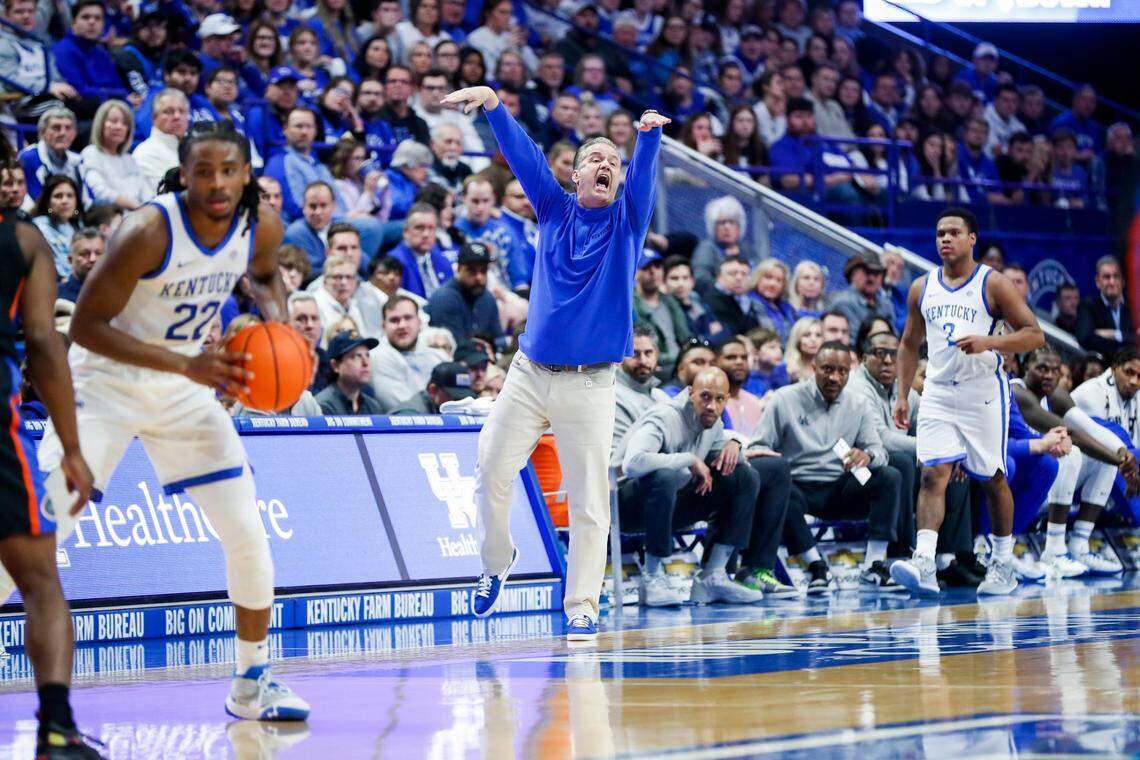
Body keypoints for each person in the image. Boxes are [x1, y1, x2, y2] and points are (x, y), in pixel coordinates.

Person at [0, 121, 310, 720]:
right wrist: (184, 364)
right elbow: (85, 327)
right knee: (44, 535)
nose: (217, 183)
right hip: (105, 384)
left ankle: (251, 682)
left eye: (228, 170)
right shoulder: (148, 229)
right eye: (204, 171)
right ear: (184, 174)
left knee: (246, 529)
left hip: (185, 389)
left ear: (246, 173)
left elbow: (267, 273)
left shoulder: (261, 224)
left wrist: (282, 326)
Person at [441, 84, 668, 641]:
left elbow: (642, 177)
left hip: (590, 384)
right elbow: (524, 156)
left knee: (590, 502)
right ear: (575, 174)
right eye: (595, 157)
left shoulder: (628, 223)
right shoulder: (553, 208)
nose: (605, 165)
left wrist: (646, 139)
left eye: (612, 162)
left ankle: (582, 603)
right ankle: (497, 563)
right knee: (491, 470)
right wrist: (495, 103)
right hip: (527, 374)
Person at [0, 144, 102, 757]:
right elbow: (43, 341)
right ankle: (57, 729)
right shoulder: (25, 241)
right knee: (40, 584)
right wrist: (71, 446)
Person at [891, 206, 1045, 598]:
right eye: (940, 232)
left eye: (953, 232)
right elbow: (909, 343)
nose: (944, 239)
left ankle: (1003, 563)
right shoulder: (921, 287)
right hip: (940, 392)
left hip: (983, 393)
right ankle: (924, 560)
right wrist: (903, 393)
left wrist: (989, 341)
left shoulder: (993, 284)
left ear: (971, 239)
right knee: (932, 473)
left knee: (993, 479)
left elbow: (1033, 335)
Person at [748, 341, 903, 591]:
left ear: (850, 371)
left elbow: (880, 451)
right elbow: (757, 448)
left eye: (842, 371)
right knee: (780, 491)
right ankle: (816, 566)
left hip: (843, 484)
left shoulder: (858, 403)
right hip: (798, 485)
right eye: (828, 369)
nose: (835, 377)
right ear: (813, 367)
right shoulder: (785, 399)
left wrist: (867, 457)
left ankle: (874, 564)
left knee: (888, 476)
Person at [618, 368, 766, 606]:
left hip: (668, 505)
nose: (711, 406)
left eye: (719, 400)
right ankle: (652, 579)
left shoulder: (713, 424)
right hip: (624, 505)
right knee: (664, 475)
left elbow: (727, 458)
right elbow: (633, 464)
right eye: (705, 397)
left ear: (726, 400)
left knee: (744, 477)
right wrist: (688, 459)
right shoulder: (664, 417)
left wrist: (735, 444)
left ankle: (713, 576)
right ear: (690, 394)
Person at [1014, 346, 1138, 575]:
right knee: (1070, 451)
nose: (1049, 375)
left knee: (1100, 458)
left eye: (1054, 370)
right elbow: (1070, 433)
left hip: (1041, 475)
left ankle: (1079, 544)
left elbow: (1087, 427)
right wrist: (1121, 461)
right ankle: (1054, 550)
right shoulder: (1018, 392)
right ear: (1026, 368)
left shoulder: (1056, 395)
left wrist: (1121, 454)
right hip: (1011, 472)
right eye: (1041, 368)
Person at [370, 294, 448, 407]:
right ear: (384, 326)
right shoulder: (379, 357)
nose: (402, 325)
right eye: (394, 320)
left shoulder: (438, 356)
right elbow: (405, 408)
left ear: (419, 322)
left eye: (408, 318)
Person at [264, 107, 339, 222]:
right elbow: (293, 209)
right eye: (298, 126)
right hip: (304, 226)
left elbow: (338, 201)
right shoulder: (278, 162)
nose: (304, 132)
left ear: (315, 131)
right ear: (285, 129)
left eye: (309, 127)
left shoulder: (319, 165)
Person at [80, 100, 153, 211]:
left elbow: (146, 191)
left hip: (138, 215)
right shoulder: (91, 153)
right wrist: (137, 207)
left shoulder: (129, 158)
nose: (119, 127)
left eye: (125, 123)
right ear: (100, 124)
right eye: (113, 121)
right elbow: (100, 192)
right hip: (110, 217)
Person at [611, 325, 670, 461]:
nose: (643, 361)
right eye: (634, 354)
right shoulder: (614, 396)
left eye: (648, 353)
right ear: (620, 357)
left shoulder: (661, 396)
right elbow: (619, 459)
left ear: (657, 355)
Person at [425, 241, 502, 342]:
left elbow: (498, 337)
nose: (479, 277)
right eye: (472, 271)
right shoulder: (446, 298)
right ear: (458, 269)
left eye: (483, 270)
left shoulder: (487, 298)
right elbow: (455, 348)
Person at [634, 250, 690, 377]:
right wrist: (679, 358)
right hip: (654, 366)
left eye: (657, 266)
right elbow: (641, 346)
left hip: (678, 363)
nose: (653, 272)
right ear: (636, 272)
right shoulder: (630, 303)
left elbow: (685, 336)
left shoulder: (668, 300)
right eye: (646, 267)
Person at [388, 202, 454, 298]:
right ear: (406, 232)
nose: (426, 234)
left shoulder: (441, 258)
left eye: (431, 228)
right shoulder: (394, 263)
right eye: (419, 228)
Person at [829, 250, 896, 344]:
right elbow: (856, 341)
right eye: (867, 272)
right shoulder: (843, 302)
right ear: (853, 274)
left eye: (876, 273)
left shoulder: (887, 305)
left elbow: (894, 338)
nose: (871, 278)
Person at [691, 196, 755, 290]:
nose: (727, 227)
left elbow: (758, 274)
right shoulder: (706, 249)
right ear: (713, 227)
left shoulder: (745, 248)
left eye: (731, 222)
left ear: (739, 227)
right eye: (722, 222)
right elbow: (701, 280)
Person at [18, 107, 82, 202]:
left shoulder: (78, 160)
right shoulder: (28, 158)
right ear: (42, 132)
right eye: (56, 127)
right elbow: (33, 198)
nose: (62, 133)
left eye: (68, 128)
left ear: (74, 133)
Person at [133, 89, 191, 193]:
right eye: (169, 111)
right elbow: (161, 197)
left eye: (182, 111)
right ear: (154, 118)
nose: (177, 116)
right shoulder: (145, 153)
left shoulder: (195, 150)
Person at [1076, 255, 1134, 358]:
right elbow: (1085, 338)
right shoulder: (1088, 305)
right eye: (1107, 277)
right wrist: (1127, 344)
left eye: (1116, 276)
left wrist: (1115, 335)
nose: (1112, 282)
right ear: (1098, 281)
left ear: (1123, 280)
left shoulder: (1135, 307)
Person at [315, 331, 386, 414]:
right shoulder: (323, 406)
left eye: (367, 355)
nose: (365, 363)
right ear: (335, 366)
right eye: (356, 356)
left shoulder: (373, 406)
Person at [700, 257, 766, 338]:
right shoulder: (711, 301)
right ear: (719, 277)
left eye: (744, 274)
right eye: (732, 273)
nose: (739, 278)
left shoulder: (749, 301)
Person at [32, 175, 81, 278]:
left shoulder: (78, 226)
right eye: (58, 196)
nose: (65, 201)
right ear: (48, 203)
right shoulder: (39, 227)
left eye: (70, 196)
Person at [717, 337, 765, 438]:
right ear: (716, 362)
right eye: (731, 357)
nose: (739, 362)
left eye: (744, 357)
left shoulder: (754, 401)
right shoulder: (711, 403)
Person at [664, 256, 721, 340]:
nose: (681, 284)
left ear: (693, 281)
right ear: (663, 282)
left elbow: (723, 332)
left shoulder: (700, 304)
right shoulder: (665, 309)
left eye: (685, 278)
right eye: (674, 278)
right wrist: (708, 338)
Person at [392, 360, 479, 414]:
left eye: (464, 397)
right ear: (433, 390)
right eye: (454, 398)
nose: (460, 402)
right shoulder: (410, 413)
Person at [57, 228, 104, 303]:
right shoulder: (57, 296)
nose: (93, 259)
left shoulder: (115, 293)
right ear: (70, 259)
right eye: (85, 254)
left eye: (98, 253)